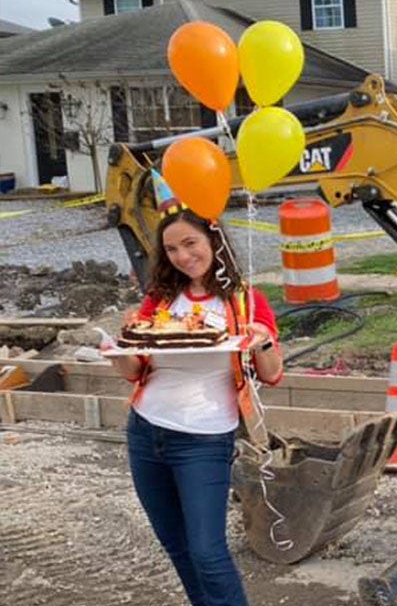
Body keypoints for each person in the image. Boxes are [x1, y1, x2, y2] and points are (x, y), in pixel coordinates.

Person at [103, 174, 283, 606]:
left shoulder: (243, 301)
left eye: (190, 243)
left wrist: (263, 340)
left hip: (204, 438)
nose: (182, 256)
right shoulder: (161, 302)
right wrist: (117, 348)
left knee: (207, 550)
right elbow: (134, 371)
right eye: (171, 249)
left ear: (213, 239)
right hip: (145, 431)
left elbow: (272, 373)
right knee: (175, 545)